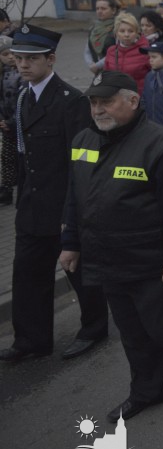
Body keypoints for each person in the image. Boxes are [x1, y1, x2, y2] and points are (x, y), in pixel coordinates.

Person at [60, 71, 163, 422]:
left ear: (133, 101)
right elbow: (75, 198)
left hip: (152, 260)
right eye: (93, 102)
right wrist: (70, 243)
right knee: (133, 333)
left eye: (107, 101)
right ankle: (149, 390)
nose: (98, 109)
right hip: (107, 259)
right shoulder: (84, 141)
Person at [1, 25, 109, 362]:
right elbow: (21, 153)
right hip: (32, 207)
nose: (22, 65)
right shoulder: (22, 98)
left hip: (64, 207)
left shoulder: (71, 102)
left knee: (79, 272)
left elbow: (82, 163)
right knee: (28, 274)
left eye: (31, 59)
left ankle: (94, 328)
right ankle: (31, 340)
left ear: (51, 59)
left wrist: (73, 217)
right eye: (18, 58)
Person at [103, 13, 150, 93]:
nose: (126, 35)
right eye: (122, 31)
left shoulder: (146, 50)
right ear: (116, 33)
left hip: (140, 97)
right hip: (117, 96)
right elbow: (106, 74)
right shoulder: (111, 51)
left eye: (131, 31)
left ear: (137, 32)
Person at [0, 34, 18, 204]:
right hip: (5, 124)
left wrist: (12, 121)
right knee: (7, 158)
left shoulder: (22, 74)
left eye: (13, 53)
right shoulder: (2, 75)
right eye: (5, 54)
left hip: (18, 123)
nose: (11, 57)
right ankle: (6, 189)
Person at [85, 0, 118, 74]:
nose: (99, 11)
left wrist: (97, 65)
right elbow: (87, 50)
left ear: (113, 10)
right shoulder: (94, 28)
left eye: (103, 9)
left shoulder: (118, 27)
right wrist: (91, 64)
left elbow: (117, 51)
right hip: (98, 71)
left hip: (114, 70)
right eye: (97, 9)